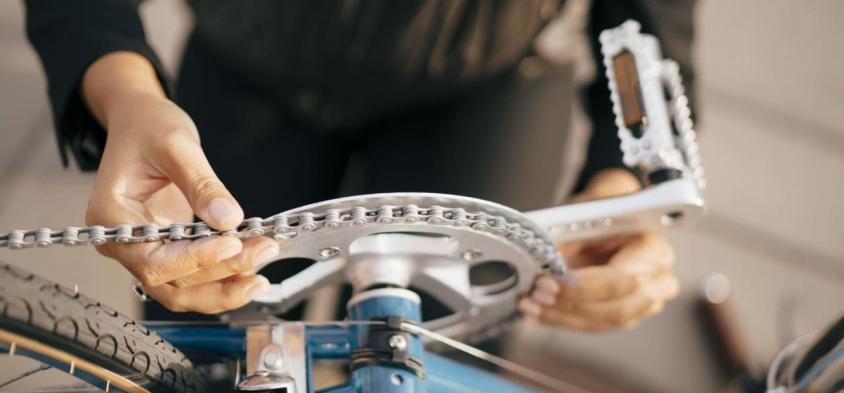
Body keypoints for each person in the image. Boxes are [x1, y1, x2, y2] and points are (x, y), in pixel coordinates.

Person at [23, 0, 695, 331]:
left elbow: (650, 15)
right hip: (255, 52)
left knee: (446, 350)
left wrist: (621, 180)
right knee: (200, 337)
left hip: (483, 71)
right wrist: (123, 91)